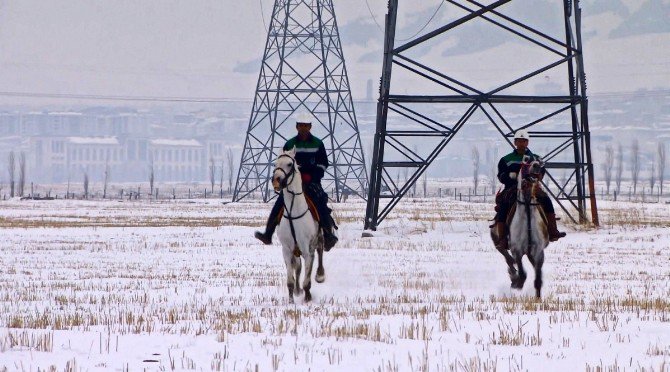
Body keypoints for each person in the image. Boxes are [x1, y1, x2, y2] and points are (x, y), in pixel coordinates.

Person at [254, 113, 339, 250]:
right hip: (293, 183)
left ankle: (328, 235)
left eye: (306, 126)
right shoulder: (290, 144)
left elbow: (323, 163)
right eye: (301, 126)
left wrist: (313, 176)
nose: (303, 128)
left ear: (310, 127)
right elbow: (284, 164)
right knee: (279, 204)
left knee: (320, 203)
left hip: (312, 182)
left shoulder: (318, 143)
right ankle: (268, 234)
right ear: (297, 127)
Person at [493, 129, 566, 249]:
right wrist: (512, 178)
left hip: (532, 187)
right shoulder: (506, 159)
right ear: (515, 142)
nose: (521, 143)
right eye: (519, 141)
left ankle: (553, 231)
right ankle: (502, 239)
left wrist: (535, 177)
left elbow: (542, 173)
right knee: (504, 206)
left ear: (527, 143)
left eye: (524, 141)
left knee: (547, 200)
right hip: (512, 188)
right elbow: (501, 176)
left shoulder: (536, 158)